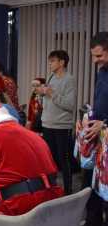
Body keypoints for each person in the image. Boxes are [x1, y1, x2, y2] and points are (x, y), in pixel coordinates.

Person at [79, 32, 108, 226]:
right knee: (95, 185)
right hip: (99, 138)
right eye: (93, 55)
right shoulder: (102, 72)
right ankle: (94, 224)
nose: (95, 60)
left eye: (99, 55)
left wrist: (104, 122)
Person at [36, 50, 76, 195]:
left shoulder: (69, 79)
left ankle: (68, 190)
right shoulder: (51, 77)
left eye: (53, 61)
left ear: (62, 62)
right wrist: (41, 94)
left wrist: (51, 93)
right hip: (47, 123)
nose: (50, 64)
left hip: (61, 125)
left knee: (63, 159)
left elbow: (69, 104)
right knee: (49, 158)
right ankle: (51, 188)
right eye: (50, 61)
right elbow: (48, 99)